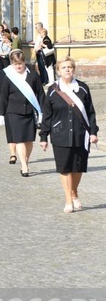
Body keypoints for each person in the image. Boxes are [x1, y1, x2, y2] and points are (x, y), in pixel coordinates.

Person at [39, 57, 99, 213]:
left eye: (70, 67)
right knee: (65, 168)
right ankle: (68, 200)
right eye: (64, 67)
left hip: (81, 134)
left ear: (74, 69)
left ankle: (74, 192)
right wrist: (43, 136)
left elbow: (91, 112)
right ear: (58, 71)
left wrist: (93, 132)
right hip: (60, 134)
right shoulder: (52, 90)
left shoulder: (83, 88)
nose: (67, 69)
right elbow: (47, 115)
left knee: (78, 168)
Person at [0, 49, 44, 177]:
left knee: (29, 141)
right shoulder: (9, 77)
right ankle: (24, 166)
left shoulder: (33, 75)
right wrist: (1, 113)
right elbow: (3, 96)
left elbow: (41, 94)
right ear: (12, 64)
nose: (18, 66)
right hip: (13, 113)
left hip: (29, 112)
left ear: (24, 63)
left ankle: (25, 160)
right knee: (20, 140)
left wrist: (42, 112)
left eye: (20, 63)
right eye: (15, 64)